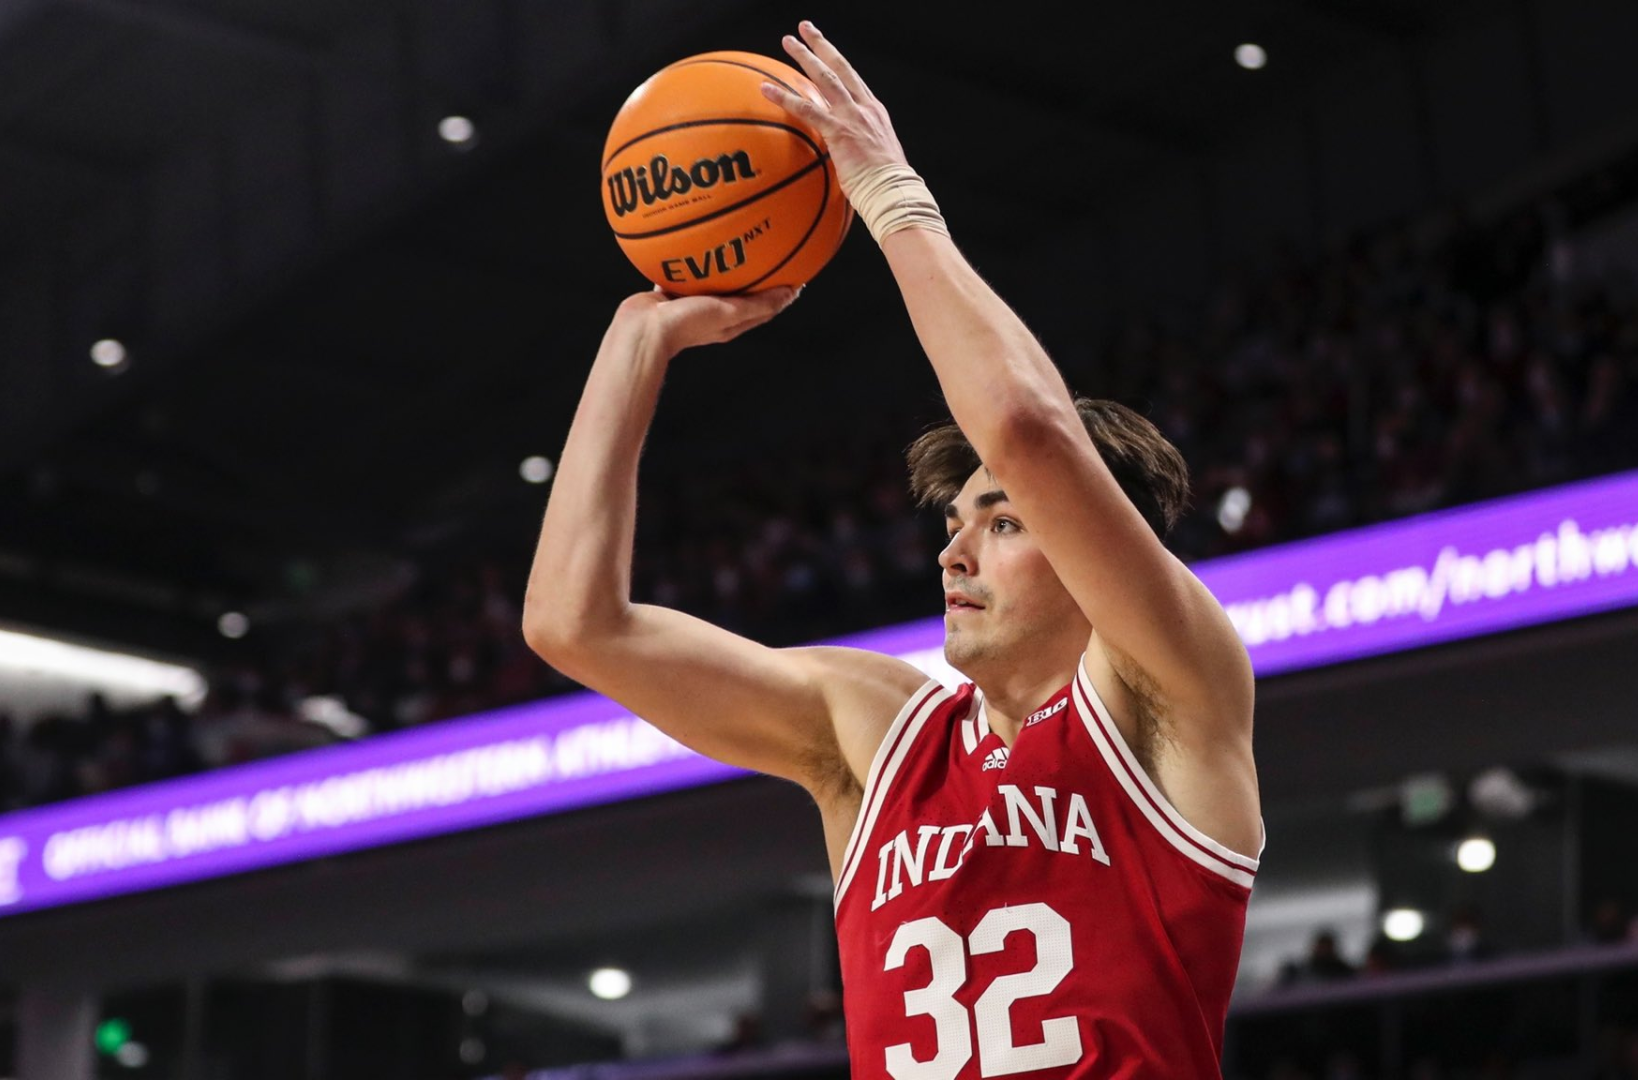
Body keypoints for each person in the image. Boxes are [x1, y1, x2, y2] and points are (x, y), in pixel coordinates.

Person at [523, 21, 1263, 1079]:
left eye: (1003, 521)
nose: (954, 554)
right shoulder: (872, 732)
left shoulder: (1168, 693)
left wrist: (884, 190)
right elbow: (572, 625)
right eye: (954, 523)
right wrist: (632, 345)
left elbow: (1030, 430)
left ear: (1107, 552)